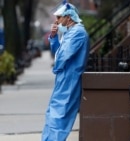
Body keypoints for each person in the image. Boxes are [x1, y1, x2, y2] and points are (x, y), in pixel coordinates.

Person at [41, 1, 90, 141]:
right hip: (64, 77)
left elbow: (62, 56)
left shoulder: (78, 33)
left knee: (60, 114)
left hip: (70, 78)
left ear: (69, 17)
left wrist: (57, 68)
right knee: (53, 112)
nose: (56, 21)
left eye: (59, 17)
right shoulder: (70, 33)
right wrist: (54, 37)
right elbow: (58, 53)